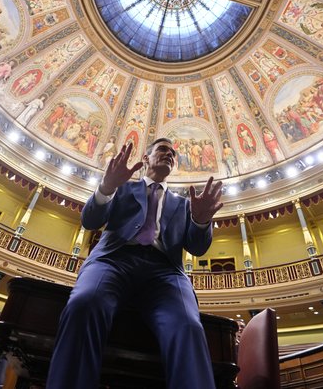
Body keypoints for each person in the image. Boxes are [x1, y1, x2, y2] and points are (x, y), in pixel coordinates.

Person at [46, 139, 224, 389]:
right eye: (163, 150)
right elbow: (90, 220)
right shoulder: (122, 188)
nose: (170, 155)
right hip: (113, 261)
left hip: (165, 273)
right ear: (146, 157)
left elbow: (197, 247)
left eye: (173, 154)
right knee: (84, 303)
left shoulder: (186, 205)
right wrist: (107, 187)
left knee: (189, 326)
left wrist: (202, 221)